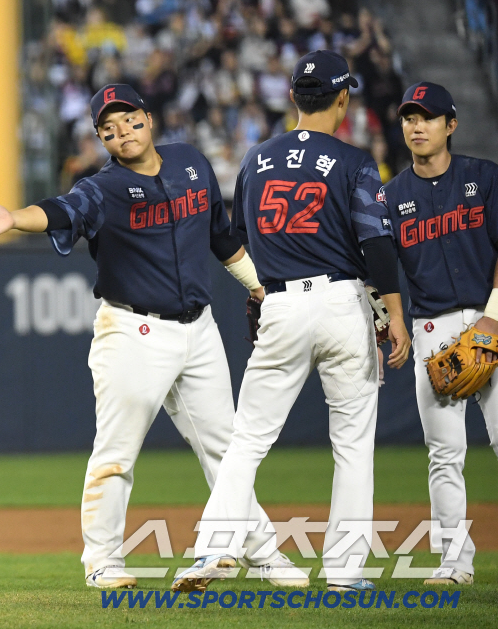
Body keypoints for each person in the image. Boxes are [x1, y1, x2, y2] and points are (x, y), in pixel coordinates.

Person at [0, 84, 306, 590]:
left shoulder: (191, 162)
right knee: (117, 452)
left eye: (128, 119)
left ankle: (261, 551)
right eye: (108, 128)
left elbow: (223, 240)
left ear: (149, 117)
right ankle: (101, 560)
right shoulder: (103, 188)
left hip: (199, 330)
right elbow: (61, 210)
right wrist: (14, 218)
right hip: (132, 332)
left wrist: (259, 288)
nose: (121, 131)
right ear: (102, 139)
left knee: (227, 451)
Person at [173, 51, 410, 593]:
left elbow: (241, 239)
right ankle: (346, 572)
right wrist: (393, 313)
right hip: (340, 301)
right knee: (351, 442)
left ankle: (214, 549)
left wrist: (263, 299)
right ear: (343, 99)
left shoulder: (255, 159)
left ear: (292, 99)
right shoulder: (352, 162)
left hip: (280, 300)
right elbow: (375, 241)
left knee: (247, 439)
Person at [381, 82, 498, 586]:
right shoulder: (391, 197)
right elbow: (378, 273)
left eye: (427, 117)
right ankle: (454, 563)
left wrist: (493, 320)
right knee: (444, 454)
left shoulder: (485, 178)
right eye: (410, 117)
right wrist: (395, 322)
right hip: (434, 332)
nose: (417, 126)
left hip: (491, 317)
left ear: (450, 125)